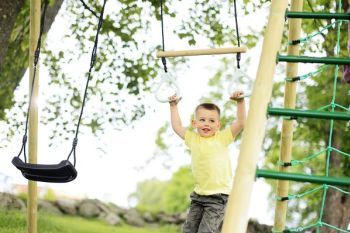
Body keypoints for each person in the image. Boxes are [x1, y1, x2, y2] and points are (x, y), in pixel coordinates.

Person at [168, 91, 246, 233]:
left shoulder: (222, 138)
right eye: (202, 120)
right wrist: (173, 106)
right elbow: (177, 126)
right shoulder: (193, 139)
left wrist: (240, 102)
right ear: (195, 123)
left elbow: (241, 123)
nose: (207, 124)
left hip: (218, 197)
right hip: (198, 196)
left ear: (218, 125)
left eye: (211, 121)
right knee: (189, 230)